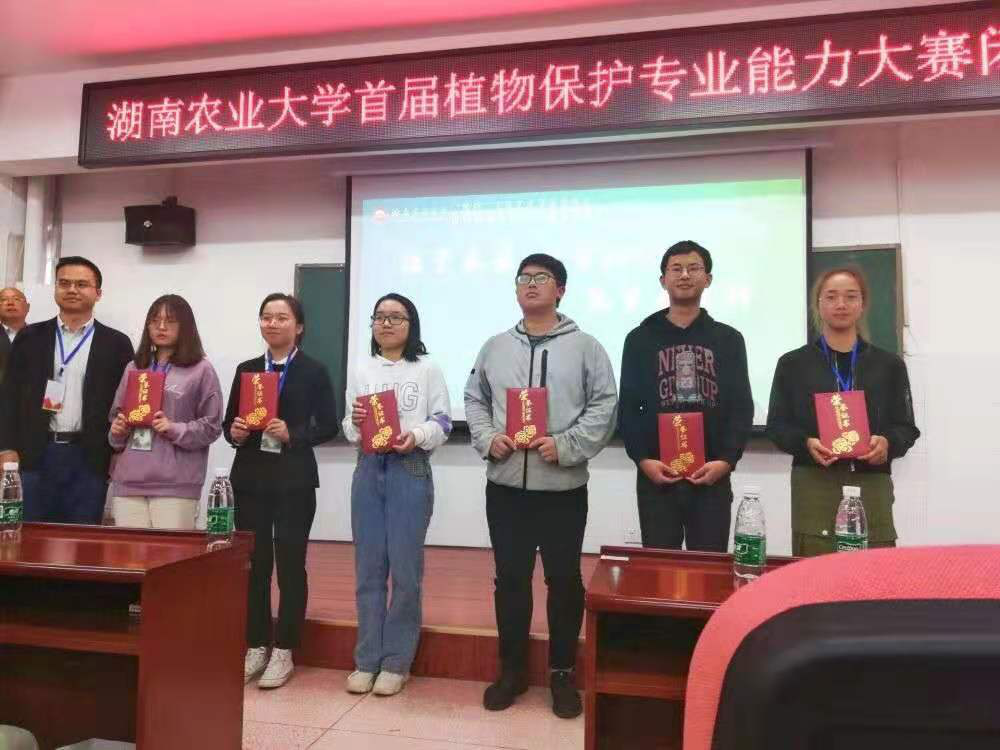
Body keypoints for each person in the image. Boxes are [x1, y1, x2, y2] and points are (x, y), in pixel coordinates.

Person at [464, 253, 617, 719]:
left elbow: (604, 404)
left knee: (564, 580)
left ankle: (562, 673)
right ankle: (511, 671)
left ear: (560, 290)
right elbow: (474, 399)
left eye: (542, 278)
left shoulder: (586, 347)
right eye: (523, 278)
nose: (531, 285)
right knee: (510, 579)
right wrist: (488, 439)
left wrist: (566, 445)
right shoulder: (494, 347)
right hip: (505, 487)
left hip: (563, 489)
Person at [223, 293, 338, 689]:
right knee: (254, 566)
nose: (272, 323)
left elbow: (328, 425)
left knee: (290, 565)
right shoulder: (247, 370)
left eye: (281, 317)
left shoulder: (313, 370)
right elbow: (228, 424)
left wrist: (294, 434)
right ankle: (255, 644)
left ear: (298, 326)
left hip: (294, 480)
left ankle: (285, 648)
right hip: (250, 479)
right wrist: (235, 433)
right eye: (266, 317)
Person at [766, 266, 920, 556]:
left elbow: (907, 428)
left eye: (850, 296)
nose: (841, 304)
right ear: (818, 304)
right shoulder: (793, 364)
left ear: (862, 304)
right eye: (831, 296)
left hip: (871, 483)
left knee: (871, 571)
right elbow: (777, 426)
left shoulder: (889, 365)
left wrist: (887, 443)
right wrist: (806, 443)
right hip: (814, 484)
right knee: (814, 570)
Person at [342, 293, 452, 697]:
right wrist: (355, 423)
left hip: (409, 467)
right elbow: (349, 426)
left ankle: (395, 662)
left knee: (405, 571)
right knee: (368, 569)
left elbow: (443, 421)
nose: (386, 323)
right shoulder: (362, 367)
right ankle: (366, 659)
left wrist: (416, 435)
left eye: (396, 317)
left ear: (411, 324)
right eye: (380, 317)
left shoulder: (427, 368)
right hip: (369, 467)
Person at [618, 240, 754, 551]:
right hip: (657, 478)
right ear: (662, 279)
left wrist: (726, 461)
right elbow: (628, 408)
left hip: (711, 477)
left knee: (708, 566)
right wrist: (643, 459)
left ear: (708, 278)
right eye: (676, 268)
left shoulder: (729, 339)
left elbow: (741, 406)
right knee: (659, 566)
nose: (684, 275)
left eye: (694, 268)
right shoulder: (639, 339)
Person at [0, 257, 133, 523]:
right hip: (35, 453)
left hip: (90, 456)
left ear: (98, 293)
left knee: (82, 537)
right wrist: (6, 448)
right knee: (32, 534)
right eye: (64, 283)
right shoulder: (30, 337)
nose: (72, 289)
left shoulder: (116, 343)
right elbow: (9, 397)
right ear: (56, 289)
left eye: (81, 284)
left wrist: (119, 454)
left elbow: (125, 404)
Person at [107, 294, 223, 529]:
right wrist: (117, 430)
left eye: (170, 321)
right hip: (129, 481)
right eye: (155, 320)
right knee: (129, 551)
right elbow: (115, 425)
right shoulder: (134, 367)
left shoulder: (201, 370)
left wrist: (174, 428)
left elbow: (212, 426)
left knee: (169, 553)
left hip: (176, 485)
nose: (161, 327)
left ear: (185, 327)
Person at [0, 287, 30, 383]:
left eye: (16, 299)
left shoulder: (43, 337)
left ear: (28, 307)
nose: (10, 303)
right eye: (3, 300)